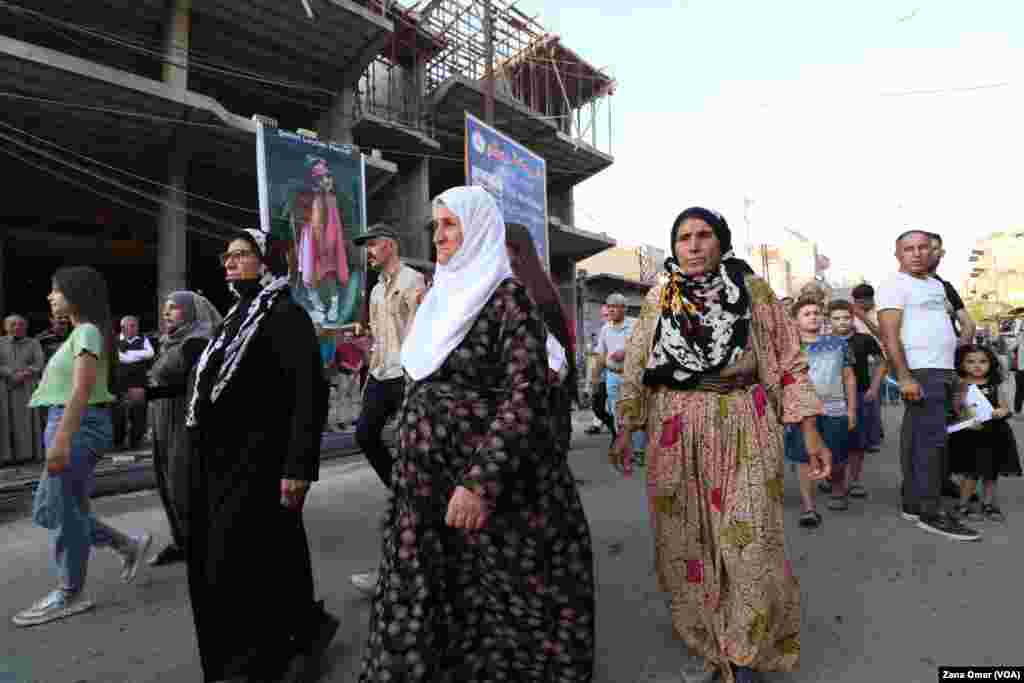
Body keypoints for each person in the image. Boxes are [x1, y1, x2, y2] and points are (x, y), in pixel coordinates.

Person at [359, 186, 595, 682]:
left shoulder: (509, 300)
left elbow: (525, 395)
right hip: (426, 492)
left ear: (478, 229)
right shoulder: (440, 296)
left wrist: (478, 483)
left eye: (450, 225)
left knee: (501, 606)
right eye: (435, 226)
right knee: (429, 602)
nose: (438, 236)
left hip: (486, 490)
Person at [609, 207, 831, 683]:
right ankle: (711, 644)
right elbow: (635, 363)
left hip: (744, 421)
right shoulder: (658, 297)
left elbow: (790, 360)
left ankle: (746, 651)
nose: (692, 245)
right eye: (683, 237)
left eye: (703, 235)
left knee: (751, 544)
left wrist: (810, 430)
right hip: (675, 426)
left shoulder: (753, 292)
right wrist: (626, 427)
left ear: (720, 240)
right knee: (685, 544)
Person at [184, 229, 337, 682]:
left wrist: (297, 468)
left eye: (242, 255)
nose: (230, 263)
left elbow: (307, 395)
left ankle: (255, 662)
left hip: (261, 462)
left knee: (245, 562)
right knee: (270, 554)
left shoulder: (286, 315)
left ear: (266, 260)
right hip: (220, 461)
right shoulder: (236, 317)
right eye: (226, 255)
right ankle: (303, 630)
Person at [13, 267, 151, 628]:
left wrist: (62, 440)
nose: (50, 297)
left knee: (55, 509)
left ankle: (69, 590)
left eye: (55, 291)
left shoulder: (87, 331)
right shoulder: (81, 333)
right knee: (56, 509)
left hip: (76, 425)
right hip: (68, 423)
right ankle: (125, 545)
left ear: (75, 293)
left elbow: (81, 390)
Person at [877, 229, 980, 542]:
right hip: (922, 372)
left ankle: (913, 503)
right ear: (898, 255)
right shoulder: (894, 285)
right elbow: (890, 335)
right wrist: (905, 376)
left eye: (923, 247)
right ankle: (930, 512)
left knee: (918, 438)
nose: (918, 253)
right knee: (931, 443)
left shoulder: (936, 285)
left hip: (943, 370)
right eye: (909, 249)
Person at [347, 223, 425, 597]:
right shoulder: (376, 289)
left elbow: (422, 328)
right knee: (364, 433)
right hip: (381, 372)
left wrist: (417, 374)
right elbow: (381, 336)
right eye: (366, 247)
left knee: (413, 444)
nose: (369, 251)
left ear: (391, 245)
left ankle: (410, 495)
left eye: (373, 245)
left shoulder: (414, 281)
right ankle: (400, 484)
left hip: (408, 373)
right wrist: (366, 352)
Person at [124, 292, 223, 567]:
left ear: (191, 312)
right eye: (165, 308)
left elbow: (193, 386)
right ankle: (182, 542)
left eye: (175, 309)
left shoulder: (197, 342)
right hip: (164, 420)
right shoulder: (172, 341)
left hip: (185, 420)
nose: (167, 313)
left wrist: (149, 394)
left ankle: (203, 544)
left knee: (184, 484)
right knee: (167, 483)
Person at [506, 222, 578, 457]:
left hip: (542, 387)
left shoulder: (537, 288)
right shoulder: (505, 282)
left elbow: (558, 342)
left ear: (514, 248)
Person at [787, 298, 856, 525]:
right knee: (803, 458)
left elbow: (848, 377)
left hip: (835, 408)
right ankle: (809, 507)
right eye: (806, 313)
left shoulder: (838, 344)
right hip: (802, 411)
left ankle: (837, 489)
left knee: (837, 455)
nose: (813, 316)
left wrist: (852, 410)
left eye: (816, 312)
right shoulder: (790, 347)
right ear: (795, 320)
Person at [948, 344, 1021, 523]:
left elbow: (1005, 406)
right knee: (969, 473)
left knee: (991, 473)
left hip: (995, 434)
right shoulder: (960, 385)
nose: (977, 365)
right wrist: (962, 411)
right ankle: (963, 505)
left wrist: (1002, 412)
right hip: (970, 435)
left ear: (991, 363)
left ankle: (989, 504)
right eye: (971, 362)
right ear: (962, 364)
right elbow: (956, 409)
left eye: (982, 361)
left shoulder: (996, 385)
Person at [828, 300, 887, 498]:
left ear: (852, 319)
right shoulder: (823, 341)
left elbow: (882, 362)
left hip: (861, 395)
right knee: (832, 441)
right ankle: (833, 478)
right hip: (831, 398)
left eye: (846, 317)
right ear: (829, 321)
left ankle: (854, 481)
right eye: (836, 318)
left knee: (857, 442)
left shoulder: (865, 340)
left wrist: (874, 387)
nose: (842, 322)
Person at [592, 292, 646, 464]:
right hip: (612, 377)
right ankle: (625, 448)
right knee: (618, 415)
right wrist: (594, 377)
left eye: (615, 306)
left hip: (632, 376)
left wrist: (626, 351)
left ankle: (639, 451)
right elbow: (601, 355)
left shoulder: (636, 325)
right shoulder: (605, 329)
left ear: (624, 308)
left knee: (633, 413)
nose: (611, 310)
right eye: (609, 307)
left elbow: (646, 347)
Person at [0, 315, 46, 463]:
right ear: (5, 327)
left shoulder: (33, 343)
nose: (17, 327)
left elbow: (39, 363)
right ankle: (7, 457)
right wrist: (10, 373)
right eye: (13, 325)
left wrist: (25, 373)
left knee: (27, 422)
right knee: (6, 421)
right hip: (5, 387)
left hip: (27, 387)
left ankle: (27, 455)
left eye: (21, 324)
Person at [112, 315, 155, 450]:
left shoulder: (144, 339)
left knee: (139, 411)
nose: (134, 329)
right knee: (119, 413)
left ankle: (136, 442)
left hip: (138, 381)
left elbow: (150, 354)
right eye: (131, 326)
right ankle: (118, 442)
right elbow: (119, 358)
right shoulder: (114, 340)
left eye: (135, 326)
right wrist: (137, 355)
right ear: (123, 327)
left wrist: (129, 356)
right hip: (120, 382)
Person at [928, 233, 976, 347]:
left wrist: (959, 353)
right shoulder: (904, 283)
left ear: (942, 253)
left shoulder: (945, 286)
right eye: (926, 248)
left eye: (934, 249)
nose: (930, 253)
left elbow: (968, 324)